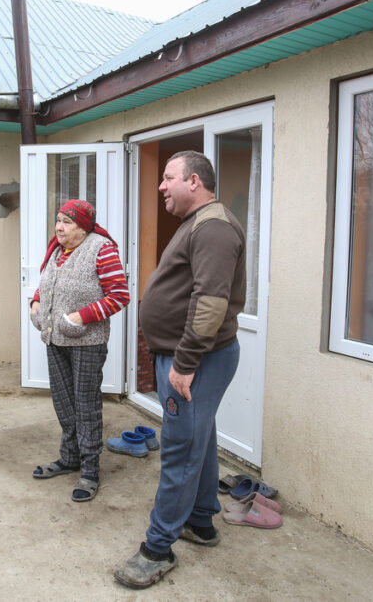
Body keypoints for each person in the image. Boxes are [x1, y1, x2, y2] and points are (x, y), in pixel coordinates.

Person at [113, 151, 246, 589]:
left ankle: (157, 548)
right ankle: (201, 522)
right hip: (194, 355)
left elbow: (210, 303)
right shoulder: (198, 223)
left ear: (193, 181)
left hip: (198, 359)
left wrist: (185, 363)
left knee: (179, 450)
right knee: (199, 438)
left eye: (168, 179)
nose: (161, 186)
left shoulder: (214, 228)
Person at [29, 199, 130, 502]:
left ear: (83, 227)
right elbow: (47, 284)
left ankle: (89, 469)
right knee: (63, 402)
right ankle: (69, 457)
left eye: (67, 222)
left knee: (85, 406)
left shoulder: (101, 248)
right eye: (58, 220)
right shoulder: (57, 251)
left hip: (87, 342)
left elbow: (119, 295)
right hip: (54, 339)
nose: (59, 227)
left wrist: (79, 317)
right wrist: (34, 302)